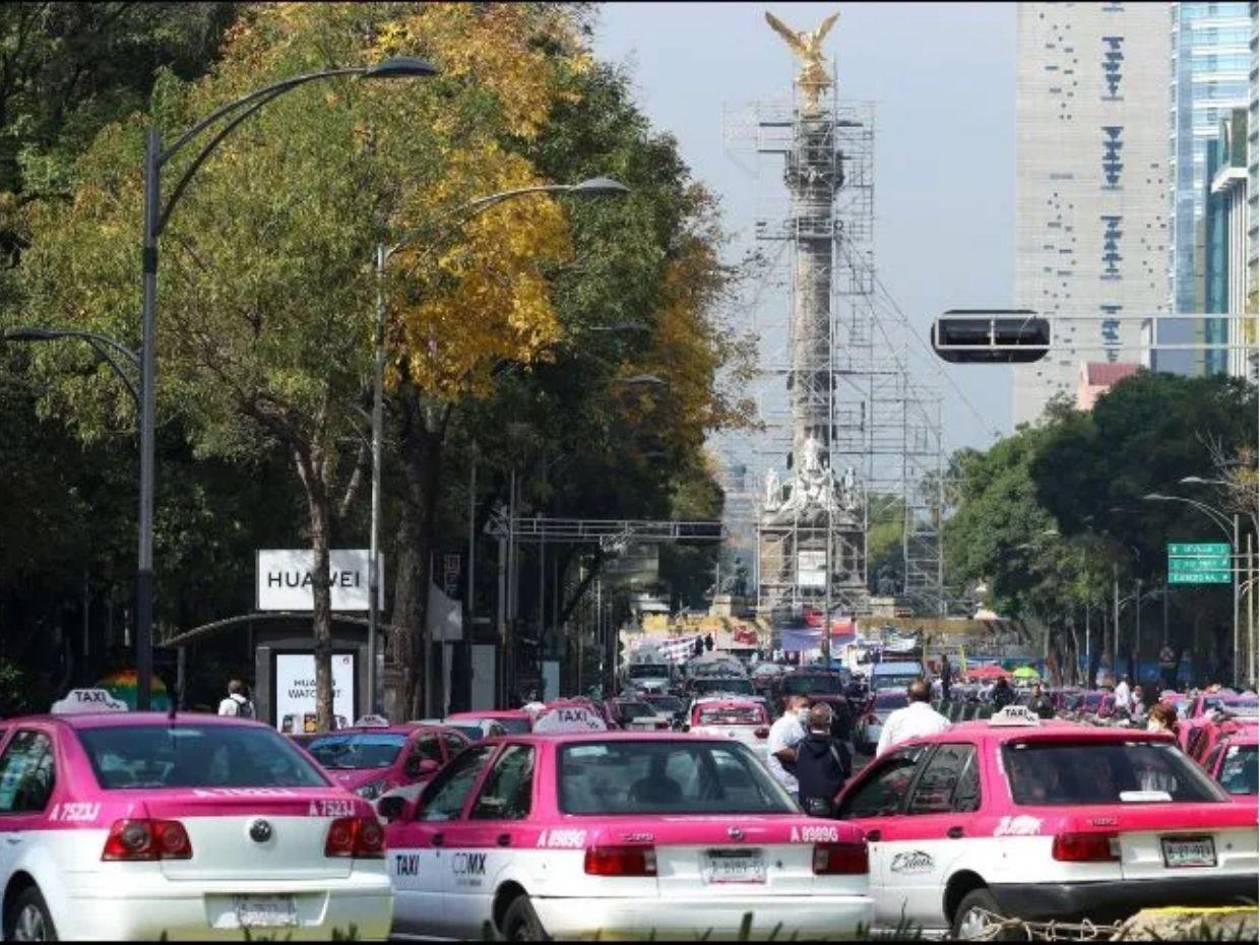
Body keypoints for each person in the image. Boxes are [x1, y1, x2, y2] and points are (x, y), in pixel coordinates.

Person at [795, 703, 851, 816]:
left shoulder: (800, 746)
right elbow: (847, 772)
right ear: (830, 722)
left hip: (806, 805)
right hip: (832, 803)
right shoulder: (837, 746)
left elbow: (797, 770)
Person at [876, 679, 950, 756]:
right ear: (931, 698)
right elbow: (947, 753)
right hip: (930, 766)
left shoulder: (895, 717)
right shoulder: (943, 722)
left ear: (908, 698)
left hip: (898, 766)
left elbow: (881, 752)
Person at [766, 696, 810, 793]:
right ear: (791, 707)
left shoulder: (799, 724)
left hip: (797, 784)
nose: (807, 710)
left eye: (808, 707)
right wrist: (807, 758)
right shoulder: (784, 725)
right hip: (786, 787)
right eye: (803, 706)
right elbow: (778, 749)